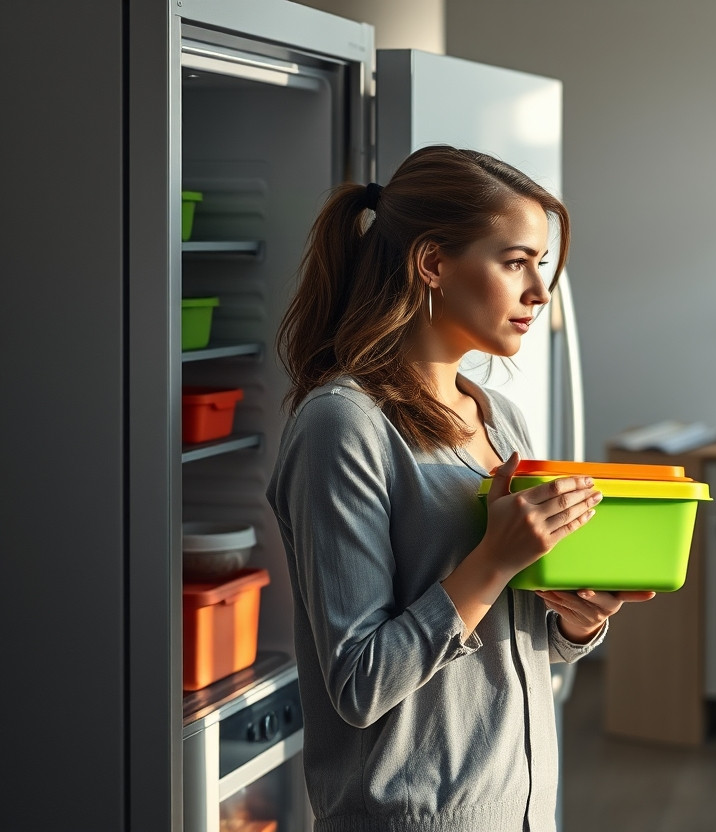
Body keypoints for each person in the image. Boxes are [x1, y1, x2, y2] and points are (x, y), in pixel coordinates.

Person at [267, 145, 653, 832]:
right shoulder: (343, 424)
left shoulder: (502, 418)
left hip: (525, 809)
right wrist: (494, 559)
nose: (539, 290)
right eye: (516, 261)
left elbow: (516, 631)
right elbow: (359, 683)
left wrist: (579, 619)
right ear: (434, 264)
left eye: (541, 263)